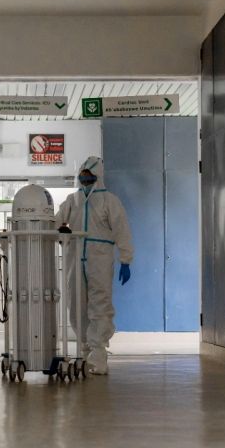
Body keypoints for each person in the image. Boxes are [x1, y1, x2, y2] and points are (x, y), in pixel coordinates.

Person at [56, 156, 133, 375]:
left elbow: (122, 231)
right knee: (76, 305)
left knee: (100, 304)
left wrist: (125, 260)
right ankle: (84, 350)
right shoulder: (72, 200)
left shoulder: (109, 201)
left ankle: (98, 354)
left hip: (99, 259)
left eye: (89, 176)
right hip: (75, 258)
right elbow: (55, 223)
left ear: (97, 177)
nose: (84, 180)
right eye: (82, 176)